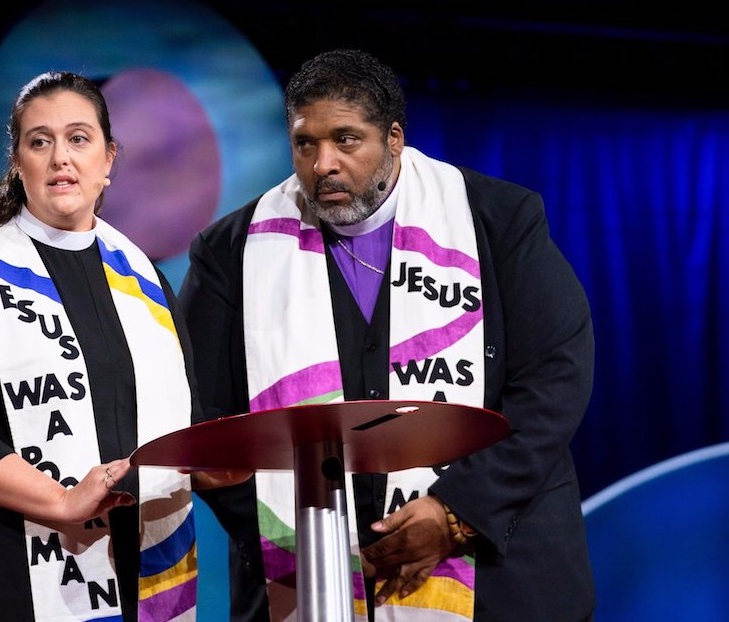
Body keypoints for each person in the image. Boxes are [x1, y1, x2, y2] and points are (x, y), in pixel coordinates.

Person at [178, 49, 596, 621]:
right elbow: (204, 418)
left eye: (346, 140)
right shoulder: (231, 251)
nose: (323, 163)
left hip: (499, 577)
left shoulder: (498, 220)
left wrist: (457, 512)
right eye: (305, 143)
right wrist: (315, 543)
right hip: (306, 579)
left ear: (394, 138)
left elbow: (556, 378)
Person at [0, 71, 200, 621]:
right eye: (40, 141)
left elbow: (187, 416)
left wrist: (215, 464)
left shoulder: (146, 280)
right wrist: (60, 502)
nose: (61, 156)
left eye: (79, 139)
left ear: (108, 160)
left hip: (122, 557)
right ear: (19, 161)